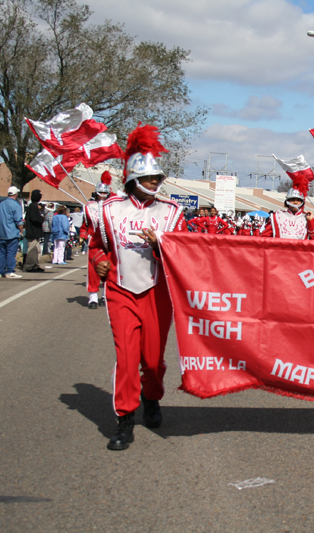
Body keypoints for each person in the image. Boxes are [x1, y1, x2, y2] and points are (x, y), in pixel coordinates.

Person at [90, 124, 186, 451]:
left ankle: (152, 397)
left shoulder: (172, 213)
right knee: (127, 358)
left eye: (158, 178)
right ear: (132, 179)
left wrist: (160, 247)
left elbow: (184, 256)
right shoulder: (109, 211)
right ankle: (125, 419)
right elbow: (96, 246)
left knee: (153, 360)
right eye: (149, 179)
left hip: (158, 293)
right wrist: (100, 261)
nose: (156, 184)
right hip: (121, 290)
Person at [257, 171, 314, 240]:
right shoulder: (277, 216)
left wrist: (311, 221)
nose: (295, 202)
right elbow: (264, 238)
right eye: (292, 199)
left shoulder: (307, 217)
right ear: (287, 201)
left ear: (302, 202)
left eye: (298, 200)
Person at [84, 171, 113, 309]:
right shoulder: (88, 207)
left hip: (110, 243)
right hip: (94, 243)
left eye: (105, 193)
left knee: (110, 270)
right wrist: (83, 234)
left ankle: (105, 295)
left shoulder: (113, 206)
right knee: (94, 270)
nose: (102, 195)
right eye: (100, 193)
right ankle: (92, 297)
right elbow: (85, 225)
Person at [0, 186, 24, 279]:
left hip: (2, 232)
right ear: (16, 194)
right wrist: (21, 230)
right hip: (12, 232)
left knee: (2, 252)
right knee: (11, 253)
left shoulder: (1, 204)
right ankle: (10, 271)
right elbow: (18, 220)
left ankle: (0, 271)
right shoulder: (16, 205)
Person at [24, 190, 45, 273]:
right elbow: (35, 219)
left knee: (37, 250)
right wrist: (42, 218)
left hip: (35, 232)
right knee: (32, 250)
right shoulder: (33, 207)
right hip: (33, 232)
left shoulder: (33, 206)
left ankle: (35, 265)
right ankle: (29, 266)